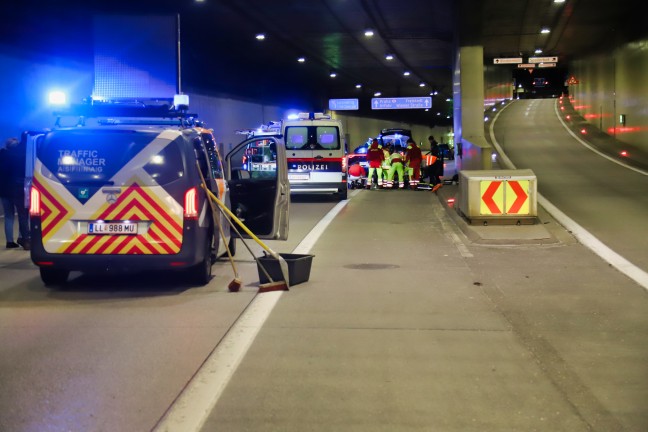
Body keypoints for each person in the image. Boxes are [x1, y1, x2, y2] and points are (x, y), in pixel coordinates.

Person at [0, 137, 30, 250]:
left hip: (3, 191)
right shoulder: (17, 158)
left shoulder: (1, 156)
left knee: (9, 216)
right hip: (16, 190)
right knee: (23, 214)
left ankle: (9, 241)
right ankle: (22, 237)